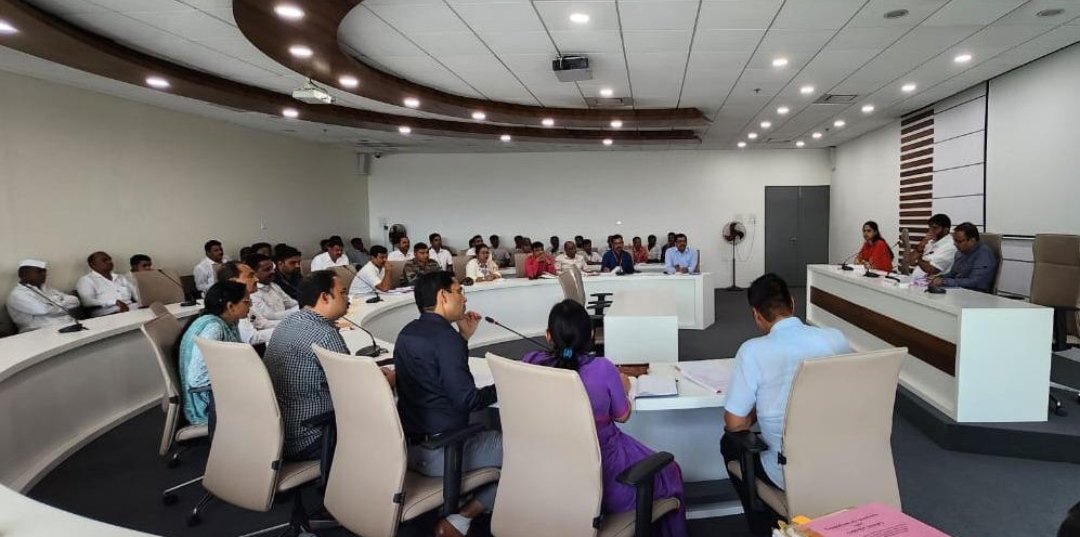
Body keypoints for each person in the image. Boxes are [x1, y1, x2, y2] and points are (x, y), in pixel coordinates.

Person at [523, 300, 688, 537]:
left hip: (550, 477)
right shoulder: (603, 368)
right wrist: (624, 383)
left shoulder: (530, 362)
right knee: (670, 472)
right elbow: (623, 415)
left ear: (548, 335)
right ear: (591, 334)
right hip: (607, 478)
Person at [721, 274, 851, 535]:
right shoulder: (835, 338)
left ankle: (767, 527)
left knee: (730, 443)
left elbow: (735, 424)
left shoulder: (752, 351)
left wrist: (755, 412)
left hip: (787, 472)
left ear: (756, 314)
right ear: (793, 302)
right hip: (841, 461)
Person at [394, 272, 499, 537]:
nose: (464, 298)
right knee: (530, 452)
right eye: (459, 291)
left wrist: (463, 338)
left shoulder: (407, 332)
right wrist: (505, 386)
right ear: (443, 295)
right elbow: (468, 400)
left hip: (410, 450)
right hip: (442, 452)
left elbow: (439, 375)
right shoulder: (445, 338)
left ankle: (465, 500)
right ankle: (461, 518)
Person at [265, 270, 395, 460]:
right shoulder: (325, 335)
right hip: (313, 436)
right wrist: (386, 383)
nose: (347, 298)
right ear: (325, 297)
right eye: (342, 293)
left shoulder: (287, 323)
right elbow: (355, 395)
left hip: (281, 434)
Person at [176, 280, 249, 426]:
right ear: (230, 306)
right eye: (247, 302)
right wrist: (239, 379)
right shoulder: (213, 328)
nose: (251, 306)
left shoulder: (230, 321)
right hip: (208, 404)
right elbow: (197, 380)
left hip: (223, 389)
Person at [6, 259, 80, 332]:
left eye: (44, 271)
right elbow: (44, 310)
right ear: (23, 275)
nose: (44, 274)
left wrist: (53, 305)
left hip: (67, 324)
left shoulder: (47, 289)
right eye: (39, 271)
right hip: (39, 331)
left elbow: (75, 301)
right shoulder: (18, 294)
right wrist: (62, 301)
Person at [929, 222, 998, 293]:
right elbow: (953, 274)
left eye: (959, 241)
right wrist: (939, 277)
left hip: (976, 294)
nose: (955, 244)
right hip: (959, 290)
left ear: (972, 240)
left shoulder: (984, 255)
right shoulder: (960, 252)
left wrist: (945, 282)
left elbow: (975, 282)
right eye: (954, 240)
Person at [217, 261, 274, 345]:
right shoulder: (234, 304)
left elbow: (262, 323)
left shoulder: (245, 299)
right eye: (251, 276)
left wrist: (289, 326)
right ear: (233, 281)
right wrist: (285, 331)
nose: (257, 279)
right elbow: (250, 337)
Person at [76, 251, 140, 317]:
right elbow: (87, 302)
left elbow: (137, 295)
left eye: (110, 259)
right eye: (104, 260)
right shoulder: (86, 280)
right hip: (105, 311)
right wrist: (113, 302)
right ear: (92, 265)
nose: (109, 262)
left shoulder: (121, 277)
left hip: (130, 307)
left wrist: (143, 301)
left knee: (144, 308)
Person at [247, 253, 299, 330]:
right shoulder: (252, 293)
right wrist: (300, 311)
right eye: (267, 269)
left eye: (272, 268)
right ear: (254, 273)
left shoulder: (273, 285)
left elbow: (292, 303)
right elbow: (270, 316)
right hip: (273, 329)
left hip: (288, 324)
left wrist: (302, 309)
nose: (273, 272)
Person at [908, 213, 956, 280]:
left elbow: (931, 270)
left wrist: (917, 260)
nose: (930, 231)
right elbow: (909, 261)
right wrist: (921, 245)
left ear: (946, 230)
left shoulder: (951, 245)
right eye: (930, 227)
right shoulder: (930, 241)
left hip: (934, 283)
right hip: (917, 281)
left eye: (934, 228)